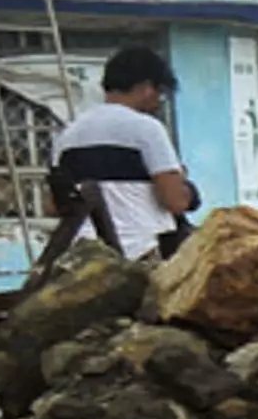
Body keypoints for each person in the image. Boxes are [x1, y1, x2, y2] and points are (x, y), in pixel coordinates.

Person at [52, 47, 198, 261]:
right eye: (161, 94)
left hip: (82, 255)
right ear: (147, 87)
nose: (158, 103)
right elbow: (174, 201)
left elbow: (55, 205)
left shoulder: (68, 134)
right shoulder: (147, 129)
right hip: (138, 252)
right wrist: (188, 190)